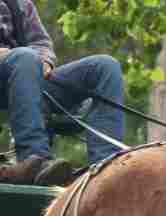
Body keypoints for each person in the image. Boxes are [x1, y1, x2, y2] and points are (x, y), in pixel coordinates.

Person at [0, 0, 124, 185]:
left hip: (25, 76)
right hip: (19, 64)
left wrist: (44, 61)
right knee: (24, 57)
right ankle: (34, 159)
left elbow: (40, 42)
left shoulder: (18, 3)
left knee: (105, 66)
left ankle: (105, 169)